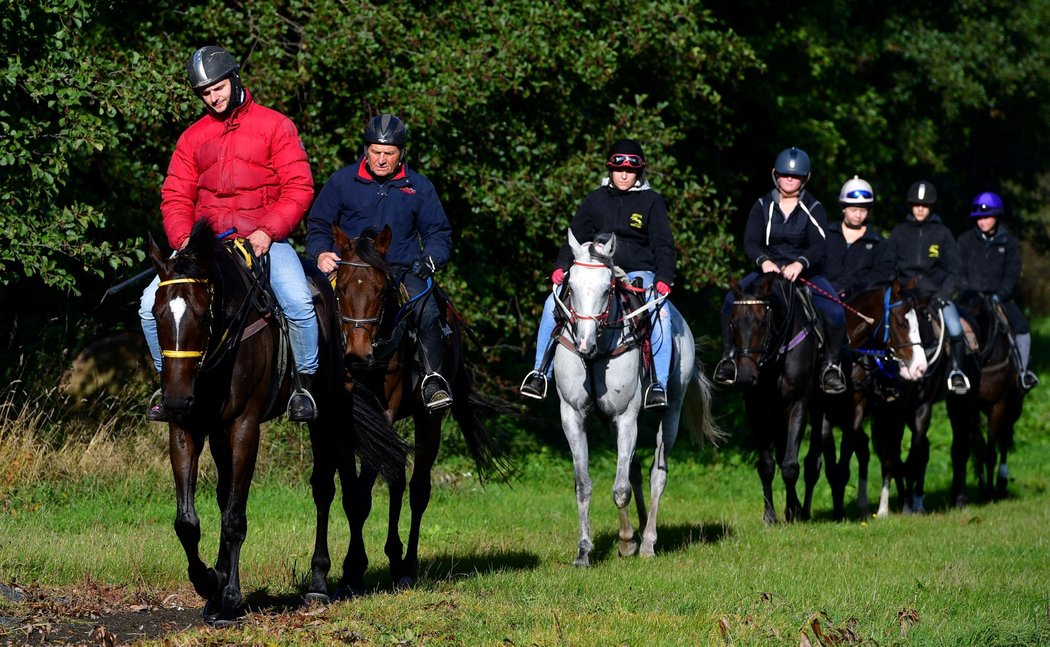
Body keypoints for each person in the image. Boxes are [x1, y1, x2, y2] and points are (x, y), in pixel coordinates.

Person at [140, 46, 318, 422]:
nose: (213, 98)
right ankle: (167, 383)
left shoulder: (276, 125)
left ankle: (305, 387)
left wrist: (269, 230)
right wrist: (181, 238)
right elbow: (175, 194)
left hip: (261, 237)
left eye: (217, 88)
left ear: (234, 79)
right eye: (205, 93)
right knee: (145, 306)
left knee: (300, 303)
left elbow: (299, 186)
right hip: (204, 247)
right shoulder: (191, 138)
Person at [307, 114, 454, 412]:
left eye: (389, 153)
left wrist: (432, 259)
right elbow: (319, 223)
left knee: (426, 310)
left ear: (401, 154)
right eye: (376, 152)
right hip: (349, 267)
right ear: (366, 150)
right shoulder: (341, 182)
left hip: (401, 268)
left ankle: (433, 380)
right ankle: (306, 382)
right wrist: (321, 252)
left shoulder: (420, 188)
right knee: (310, 308)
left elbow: (439, 233)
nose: (382, 159)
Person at [518, 139, 675, 410]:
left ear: (640, 172)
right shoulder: (595, 199)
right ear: (610, 169)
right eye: (618, 169)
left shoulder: (652, 201)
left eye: (630, 170)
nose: (624, 175)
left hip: (638, 271)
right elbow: (575, 236)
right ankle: (540, 373)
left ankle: (657, 383)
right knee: (550, 304)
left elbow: (663, 243)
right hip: (596, 271)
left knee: (662, 313)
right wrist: (560, 266)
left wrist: (663, 276)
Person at [713, 147, 847, 394]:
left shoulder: (813, 207)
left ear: (805, 179)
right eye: (784, 175)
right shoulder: (762, 205)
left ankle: (831, 366)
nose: (789, 180)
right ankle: (729, 358)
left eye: (795, 176)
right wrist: (764, 261)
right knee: (730, 300)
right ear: (775, 174)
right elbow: (750, 241)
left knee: (836, 311)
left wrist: (800, 263)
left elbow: (820, 243)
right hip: (767, 273)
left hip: (804, 274)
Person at [882, 180, 970, 394]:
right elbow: (887, 265)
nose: (920, 209)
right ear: (910, 206)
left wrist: (943, 295)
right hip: (904, 297)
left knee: (956, 328)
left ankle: (957, 372)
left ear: (931, 207)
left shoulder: (943, 234)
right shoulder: (899, 233)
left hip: (934, 296)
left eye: (925, 205)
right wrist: (894, 289)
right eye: (916, 204)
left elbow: (954, 271)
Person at [957, 191, 1038, 391]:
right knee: (950, 329)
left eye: (986, 217)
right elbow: (958, 269)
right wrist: (967, 291)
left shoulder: (1009, 243)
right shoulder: (965, 240)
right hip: (969, 299)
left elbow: (1012, 273)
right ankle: (954, 372)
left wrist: (1000, 295)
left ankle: (1023, 372)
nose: (982, 221)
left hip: (998, 299)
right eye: (978, 218)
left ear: (997, 217)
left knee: (1022, 327)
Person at [825, 175, 893, 300]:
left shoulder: (877, 243)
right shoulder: (826, 234)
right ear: (843, 208)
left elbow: (881, 274)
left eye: (863, 210)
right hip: (823, 296)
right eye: (853, 209)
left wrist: (853, 287)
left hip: (860, 303)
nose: (858, 215)